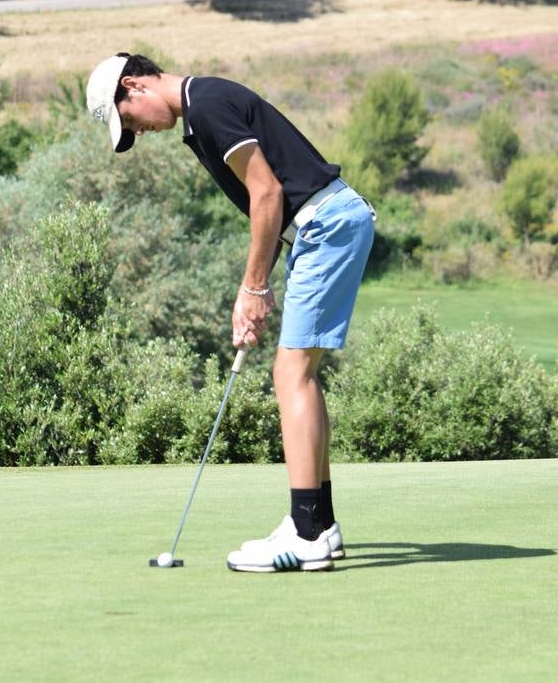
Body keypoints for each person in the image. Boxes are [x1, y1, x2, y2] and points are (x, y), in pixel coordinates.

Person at [86, 52, 375, 573]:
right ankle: (319, 523)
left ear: (134, 86)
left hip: (325, 226)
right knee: (299, 373)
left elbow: (267, 193)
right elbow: (270, 202)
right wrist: (257, 290)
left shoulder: (206, 106)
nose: (138, 132)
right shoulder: (202, 107)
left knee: (290, 373)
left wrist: (254, 287)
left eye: (129, 120)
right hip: (323, 226)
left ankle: (307, 534)